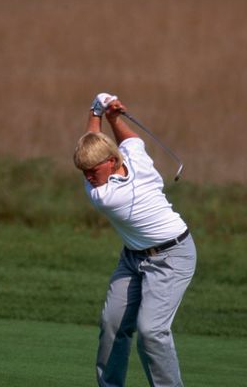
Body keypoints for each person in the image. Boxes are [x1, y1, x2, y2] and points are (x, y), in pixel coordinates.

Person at [73, 92, 197, 387]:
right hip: (133, 258)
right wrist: (111, 115)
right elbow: (123, 141)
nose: (88, 177)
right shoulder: (132, 158)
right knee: (112, 324)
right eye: (84, 172)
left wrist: (97, 111)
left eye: (93, 170)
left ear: (112, 160)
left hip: (173, 256)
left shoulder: (107, 196)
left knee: (152, 331)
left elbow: (97, 138)